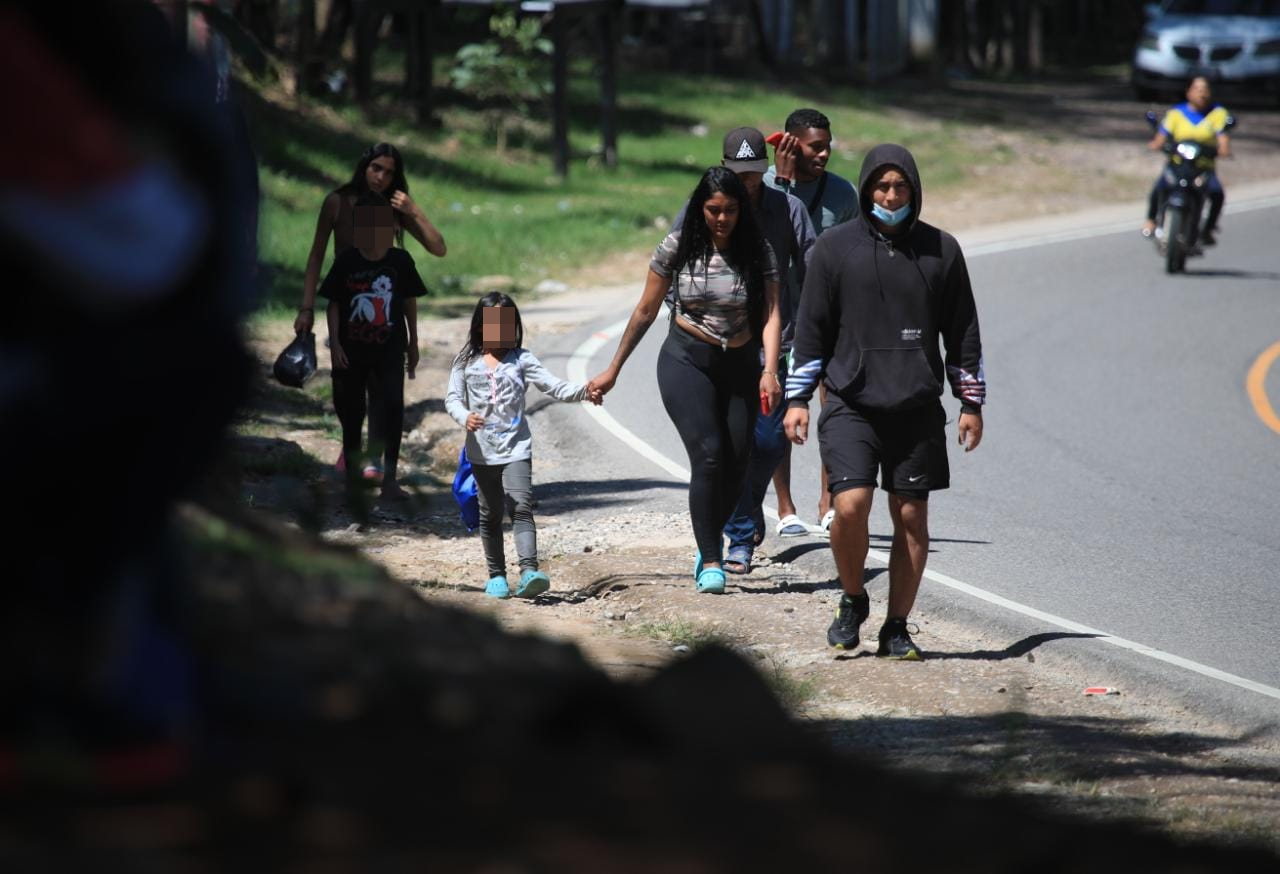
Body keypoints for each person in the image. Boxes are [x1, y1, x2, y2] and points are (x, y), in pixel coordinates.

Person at [783, 144, 986, 660]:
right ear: (867, 188)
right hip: (852, 400)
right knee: (849, 506)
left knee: (912, 517)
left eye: (900, 187)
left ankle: (896, 626)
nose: (890, 195)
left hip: (916, 405)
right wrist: (799, 398)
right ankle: (852, 599)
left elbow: (962, 333)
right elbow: (811, 330)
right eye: (881, 185)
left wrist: (970, 403)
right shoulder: (834, 248)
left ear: (914, 191)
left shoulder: (943, 250)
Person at [589, 167, 782, 595]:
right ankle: (711, 558)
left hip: (741, 364)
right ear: (700, 209)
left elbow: (771, 313)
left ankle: (706, 537)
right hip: (686, 360)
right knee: (710, 455)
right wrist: (614, 369)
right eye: (713, 210)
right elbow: (644, 310)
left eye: (730, 210)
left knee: (738, 461)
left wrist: (769, 370)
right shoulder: (677, 247)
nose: (722, 218)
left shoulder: (758, 250)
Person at [670, 128, 816, 574]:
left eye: (754, 175)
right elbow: (669, 268)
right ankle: (735, 538)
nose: (748, 184)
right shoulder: (703, 210)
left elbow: (813, 269)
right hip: (717, 349)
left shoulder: (787, 208)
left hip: (776, 347)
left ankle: (745, 507)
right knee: (725, 449)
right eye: (739, 174)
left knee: (770, 442)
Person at [297, 143, 447, 480]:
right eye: (376, 168)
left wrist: (413, 210)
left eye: (389, 172)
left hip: (385, 316)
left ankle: (372, 459)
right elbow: (316, 256)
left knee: (382, 391)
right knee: (347, 392)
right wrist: (306, 308)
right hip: (345, 310)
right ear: (364, 166)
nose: (381, 176)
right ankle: (351, 449)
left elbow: (438, 248)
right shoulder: (337, 202)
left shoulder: (394, 209)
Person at [446, 293, 600, 599]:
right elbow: (452, 399)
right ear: (479, 327)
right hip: (481, 452)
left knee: (521, 506)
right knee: (489, 514)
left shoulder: (522, 359)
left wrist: (585, 391)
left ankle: (529, 571)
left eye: (507, 324)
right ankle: (497, 577)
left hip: (517, 449)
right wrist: (465, 417)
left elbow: (554, 386)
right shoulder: (465, 363)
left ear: (514, 326)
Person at [765, 108, 859, 534]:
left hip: (828, 320)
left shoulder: (842, 194)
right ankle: (785, 507)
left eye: (828, 144)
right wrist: (782, 182)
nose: (824, 153)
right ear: (789, 142)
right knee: (781, 409)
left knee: (833, 411)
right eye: (814, 146)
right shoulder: (763, 186)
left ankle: (828, 500)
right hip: (778, 322)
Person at [319, 191, 427, 501]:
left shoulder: (400, 261)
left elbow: (409, 302)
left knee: (392, 411)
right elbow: (334, 304)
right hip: (350, 354)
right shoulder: (347, 261)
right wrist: (335, 343)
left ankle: (389, 481)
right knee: (351, 414)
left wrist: (414, 342)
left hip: (389, 351)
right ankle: (353, 481)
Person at [1141, 76, 1231, 246]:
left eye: (1205, 89)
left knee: (1217, 193)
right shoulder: (1176, 113)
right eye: (1197, 89)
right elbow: (1161, 137)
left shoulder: (1218, 114)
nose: (1201, 93)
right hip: (1178, 164)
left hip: (1203, 166)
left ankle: (1208, 229)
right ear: (1189, 92)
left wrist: (1223, 150)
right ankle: (1151, 219)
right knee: (1160, 187)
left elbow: (1223, 139)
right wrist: (1156, 145)